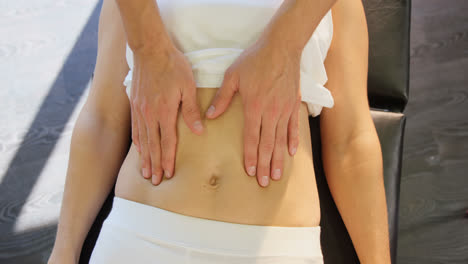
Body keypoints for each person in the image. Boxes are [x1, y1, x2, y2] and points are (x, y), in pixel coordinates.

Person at [48, 0, 392, 263]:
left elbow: (350, 142)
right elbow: (103, 120)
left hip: (276, 249)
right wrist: (62, 253)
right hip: (143, 235)